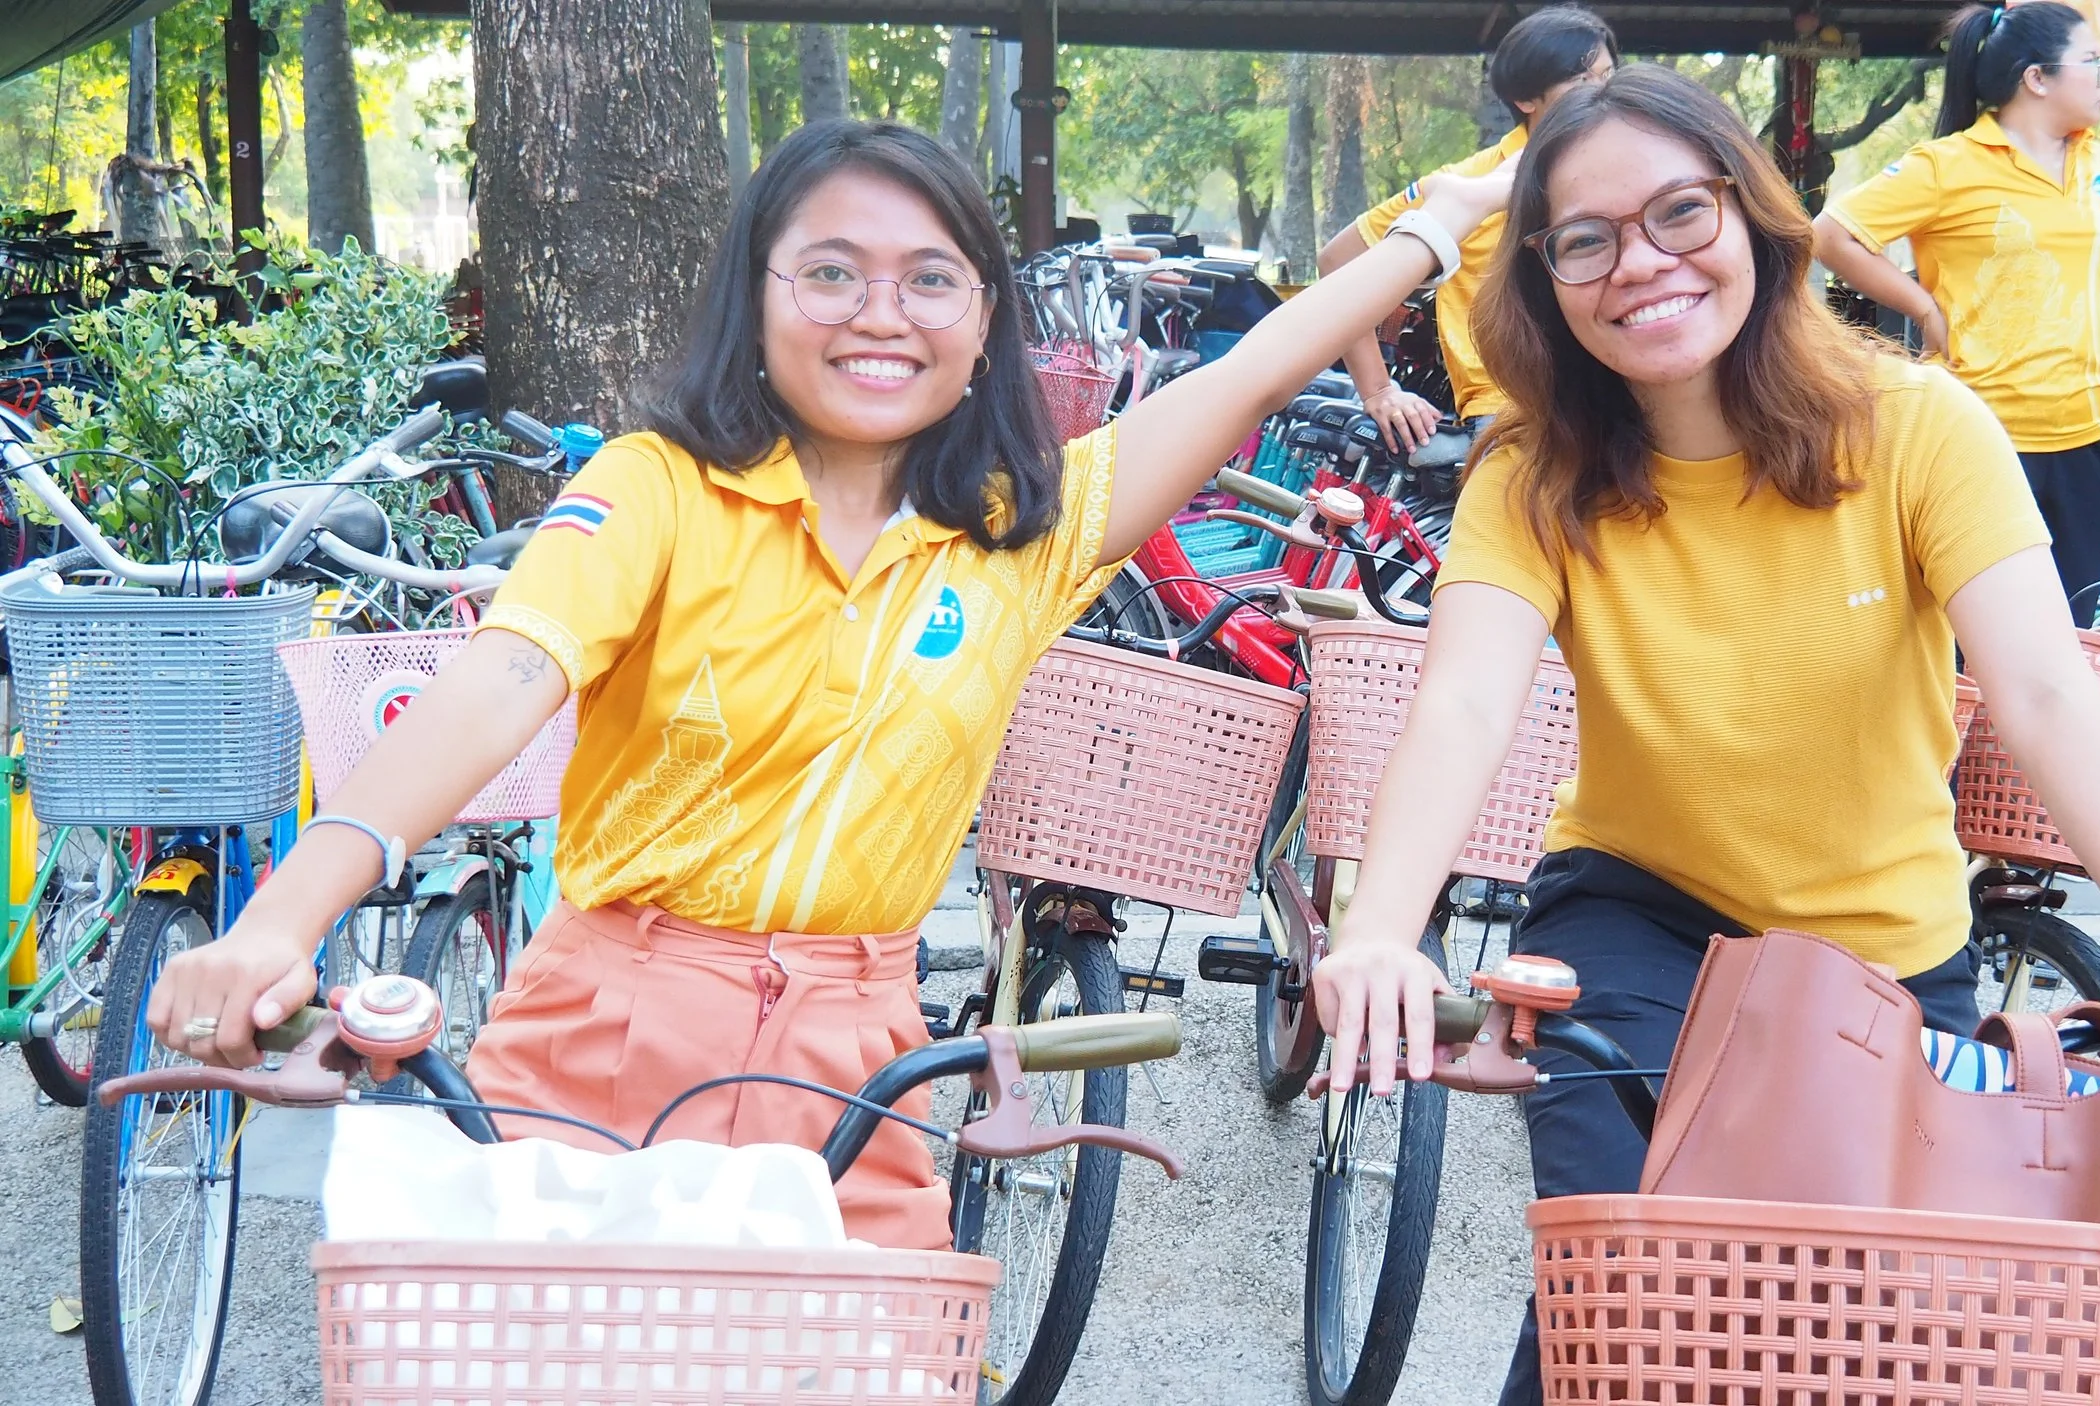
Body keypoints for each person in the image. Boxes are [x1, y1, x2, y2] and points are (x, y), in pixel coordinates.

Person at [145, 119, 1515, 1251]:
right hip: (604, 1020)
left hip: (864, 1046)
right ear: (756, 296)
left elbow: (1259, 364)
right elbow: (504, 675)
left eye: (932, 279)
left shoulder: (1022, 534)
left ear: (987, 322)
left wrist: (1436, 225)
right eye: (832, 273)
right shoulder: (656, 487)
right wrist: (283, 920)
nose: (882, 315)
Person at [1302, 66, 2100, 1405]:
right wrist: (1379, 929)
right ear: (1542, 282)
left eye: (1679, 214)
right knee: (1629, 1283)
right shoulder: (1532, 471)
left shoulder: (1916, 426)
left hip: (1890, 952)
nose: (1639, 265)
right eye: (1584, 240)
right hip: (1635, 916)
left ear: (1756, 219)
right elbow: (1467, 699)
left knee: (1852, 1341)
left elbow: (2045, 688)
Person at [1813, 2, 2100, 625]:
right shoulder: (1948, 166)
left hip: (2092, 436)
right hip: (1979, 432)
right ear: (2036, 78)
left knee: (2068, 623)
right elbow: (1832, 235)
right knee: (1965, 627)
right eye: (2091, 61)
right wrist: (1925, 309)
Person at [1317, 4, 1617, 453]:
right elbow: (1337, 261)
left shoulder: (1625, 169)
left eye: (1609, 74)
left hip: (1618, 400)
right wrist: (1378, 390)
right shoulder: (1468, 185)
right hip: (1517, 417)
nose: (1601, 92)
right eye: (1579, 81)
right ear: (1525, 99)